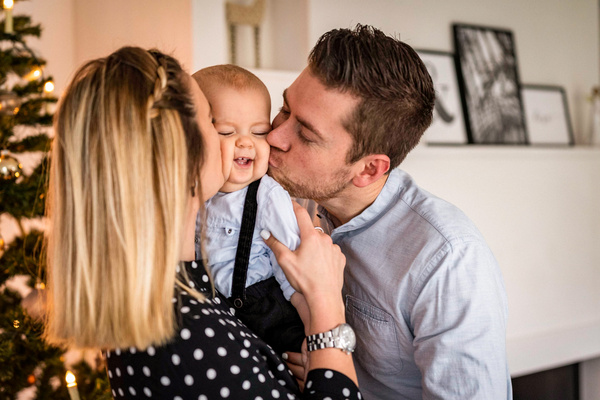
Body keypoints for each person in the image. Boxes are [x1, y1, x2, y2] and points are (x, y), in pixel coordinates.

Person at [43, 46, 361, 399]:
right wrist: (327, 308)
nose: (260, 139)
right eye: (214, 122)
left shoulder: (171, 288)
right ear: (181, 156)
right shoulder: (186, 337)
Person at [267, 25, 512, 399]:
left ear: (368, 169)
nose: (274, 136)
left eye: (306, 134)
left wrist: (327, 365)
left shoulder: (448, 261)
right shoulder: (284, 197)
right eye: (285, 108)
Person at [191, 64, 307, 354]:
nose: (245, 142)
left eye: (259, 132)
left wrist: (313, 336)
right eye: (227, 132)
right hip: (216, 318)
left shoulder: (267, 197)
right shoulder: (193, 195)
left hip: (269, 320)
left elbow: (294, 272)